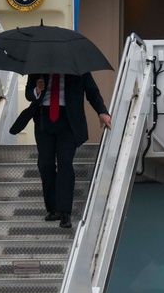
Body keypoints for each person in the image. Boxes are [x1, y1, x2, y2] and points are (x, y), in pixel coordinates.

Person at [24, 73, 111, 229]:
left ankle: (65, 212)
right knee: (45, 165)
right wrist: (37, 89)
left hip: (69, 121)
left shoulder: (78, 69)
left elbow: (92, 92)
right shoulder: (39, 68)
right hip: (44, 120)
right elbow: (28, 95)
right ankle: (53, 209)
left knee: (65, 163)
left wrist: (102, 112)